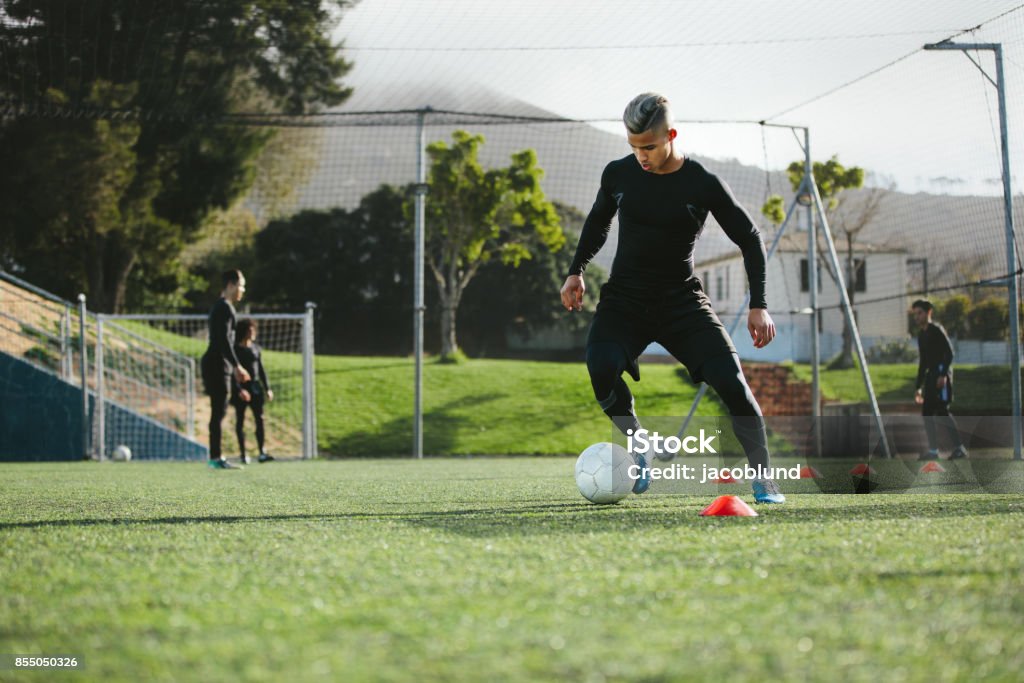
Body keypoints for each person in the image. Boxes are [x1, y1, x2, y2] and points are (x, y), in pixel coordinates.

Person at [559, 92, 785, 503]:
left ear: (671, 136)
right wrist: (575, 271)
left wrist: (759, 304)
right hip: (625, 299)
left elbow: (750, 238)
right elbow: (597, 222)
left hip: (682, 303)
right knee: (600, 365)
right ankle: (640, 444)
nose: (641, 156)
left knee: (734, 385)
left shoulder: (702, 183)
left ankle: (764, 478)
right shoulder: (618, 175)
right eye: (633, 146)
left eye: (649, 146)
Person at [201, 269, 250, 470]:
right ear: (230, 285)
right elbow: (223, 341)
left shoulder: (222, 307)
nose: (242, 290)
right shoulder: (225, 308)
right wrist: (237, 366)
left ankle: (216, 456)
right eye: (241, 286)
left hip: (219, 363)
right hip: (216, 363)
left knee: (219, 411)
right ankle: (215, 457)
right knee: (218, 411)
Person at [911, 299, 968, 460]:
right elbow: (923, 362)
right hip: (930, 377)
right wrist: (918, 386)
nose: (917, 317)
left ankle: (960, 449)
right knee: (927, 412)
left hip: (941, 376)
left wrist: (943, 376)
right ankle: (934, 451)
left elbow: (950, 354)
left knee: (943, 412)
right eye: (915, 314)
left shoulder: (937, 330)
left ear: (929, 313)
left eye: (920, 313)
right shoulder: (922, 335)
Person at [231, 318, 275, 464]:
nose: (252, 332)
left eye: (253, 329)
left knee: (260, 419)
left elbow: (261, 370)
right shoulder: (235, 350)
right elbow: (232, 372)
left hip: (255, 387)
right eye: (249, 330)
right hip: (241, 388)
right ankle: (243, 454)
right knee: (240, 421)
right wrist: (238, 390)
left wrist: (267, 388)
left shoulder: (256, 349)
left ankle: (262, 451)